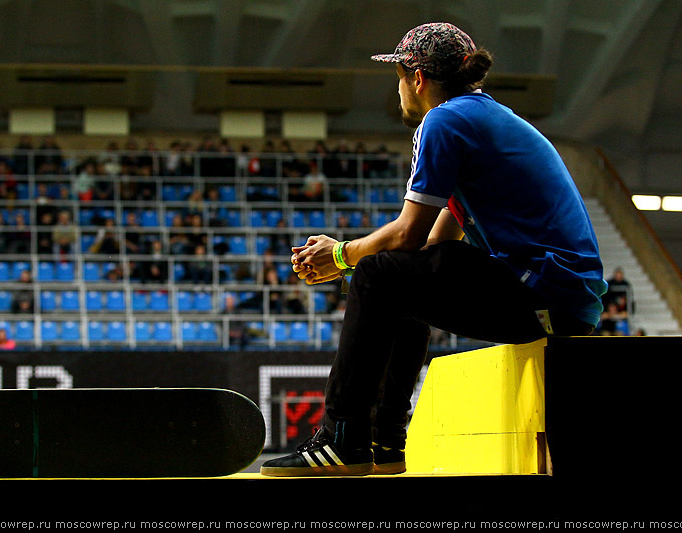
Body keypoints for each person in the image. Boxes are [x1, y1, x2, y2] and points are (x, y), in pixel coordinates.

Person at [260, 23, 608, 477]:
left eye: (399, 79)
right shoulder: (481, 118)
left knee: (381, 274)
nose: (399, 92)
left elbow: (407, 235)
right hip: (560, 299)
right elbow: (428, 248)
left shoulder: (444, 120)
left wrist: (344, 256)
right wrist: (357, 267)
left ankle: (345, 437)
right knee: (392, 278)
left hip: (546, 298)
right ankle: (383, 442)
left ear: (418, 78)